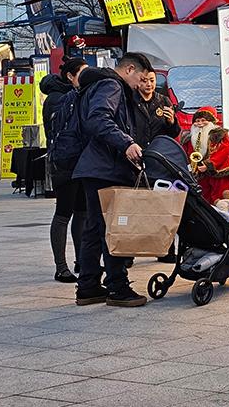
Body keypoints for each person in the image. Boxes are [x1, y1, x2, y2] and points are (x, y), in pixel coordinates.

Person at [71, 52, 153, 307]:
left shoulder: (97, 84)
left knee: (95, 229)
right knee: (114, 228)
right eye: (140, 78)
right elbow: (99, 118)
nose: (141, 84)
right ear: (129, 69)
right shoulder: (111, 85)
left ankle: (89, 286)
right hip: (106, 168)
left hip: (94, 168)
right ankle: (117, 287)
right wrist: (126, 142)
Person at [41, 57, 88, 283]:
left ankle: (82, 260)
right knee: (63, 213)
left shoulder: (77, 95)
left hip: (81, 162)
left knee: (81, 212)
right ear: (70, 76)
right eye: (83, 73)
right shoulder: (57, 99)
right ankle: (61, 266)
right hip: (65, 163)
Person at [181, 107, 229, 211]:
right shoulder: (189, 138)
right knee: (204, 195)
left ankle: (224, 211)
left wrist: (209, 165)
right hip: (200, 172)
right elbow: (186, 153)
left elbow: (223, 151)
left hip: (219, 170)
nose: (200, 123)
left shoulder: (220, 135)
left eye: (203, 120)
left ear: (211, 121)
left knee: (219, 194)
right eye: (197, 121)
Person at [134, 70, 179, 146]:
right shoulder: (130, 100)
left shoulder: (164, 101)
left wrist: (172, 122)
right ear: (137, 82)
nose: (149, 84)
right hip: (136, 151)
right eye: (144, 81)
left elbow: (174, 134)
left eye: (152, 80)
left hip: (158, 150)